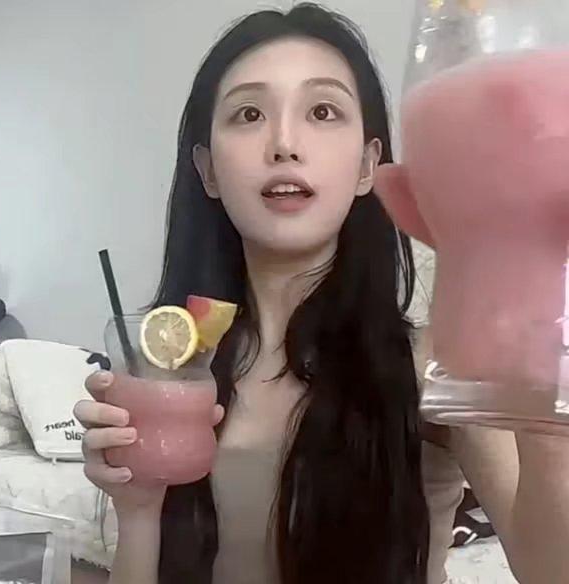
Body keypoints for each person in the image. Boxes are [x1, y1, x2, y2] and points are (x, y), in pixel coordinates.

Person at [73, 4, 569, 584]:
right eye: (250, 114)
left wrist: (545, 378)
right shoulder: (172, 372)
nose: (284, 144)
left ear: (367, 166)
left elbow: (549, 569)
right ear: (207, 171)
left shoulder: (433, 364)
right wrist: (137, 510)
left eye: (323, 111)